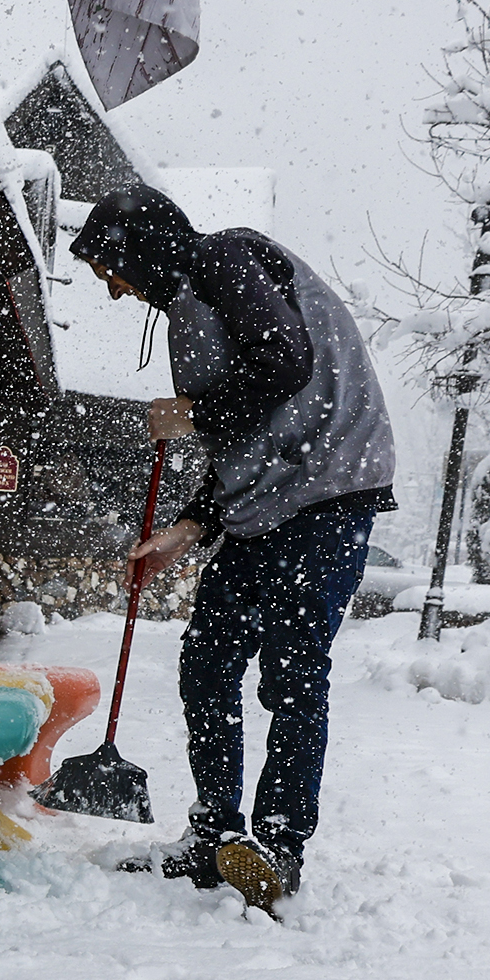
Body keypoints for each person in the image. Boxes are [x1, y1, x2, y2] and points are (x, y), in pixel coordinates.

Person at [68, 185, 397, 911]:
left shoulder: (223, 257)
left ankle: (278, 848)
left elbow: (286, 362)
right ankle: (216, 834)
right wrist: (187, 529)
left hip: (327, 496)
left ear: (138, 249)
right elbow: (246, 438)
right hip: (261, 509)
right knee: (207, 664)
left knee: (292, 671)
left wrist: (190, 412)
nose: (116, 292)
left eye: (110, 272)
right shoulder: (195, 306)